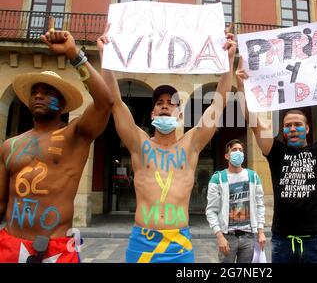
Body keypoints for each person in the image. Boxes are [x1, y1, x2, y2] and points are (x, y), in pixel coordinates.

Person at [98, 26, 236, 263]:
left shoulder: (191, 144)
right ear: (152, 113)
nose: (165, 105)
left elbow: (218, 104)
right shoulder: (139, 142)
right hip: (142, 242)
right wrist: (105, 57)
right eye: (159, 103)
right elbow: (116, 103)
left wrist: (228, 61)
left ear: (179, 114)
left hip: (179, 245)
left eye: (171, 103)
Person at [0, 28, 114, 263]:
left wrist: (75, 54)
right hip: (9, 245)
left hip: (56, 250)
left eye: (48, 92)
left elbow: (105, 101)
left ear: (62, 104)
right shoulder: (10, 145)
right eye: (35, 92)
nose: (39, 96)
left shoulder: (76, 135)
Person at [235, 59, 317, 263]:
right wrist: (241, 86)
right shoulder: (276, 152)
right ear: (283, 131)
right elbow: (254, 123)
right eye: (288, 126)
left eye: (298, 125)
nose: (292, 129)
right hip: (283, 243)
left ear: (307, 129)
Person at [205, 139, 266, 263]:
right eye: (234, 150)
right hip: (228, 237)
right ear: (227, 156)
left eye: (240, 150)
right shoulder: (218, 178)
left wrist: (260, 231)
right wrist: (219, 236)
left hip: (248, 236)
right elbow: (211, 211)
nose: (238, 152)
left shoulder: (253, 176)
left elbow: (260, 205)